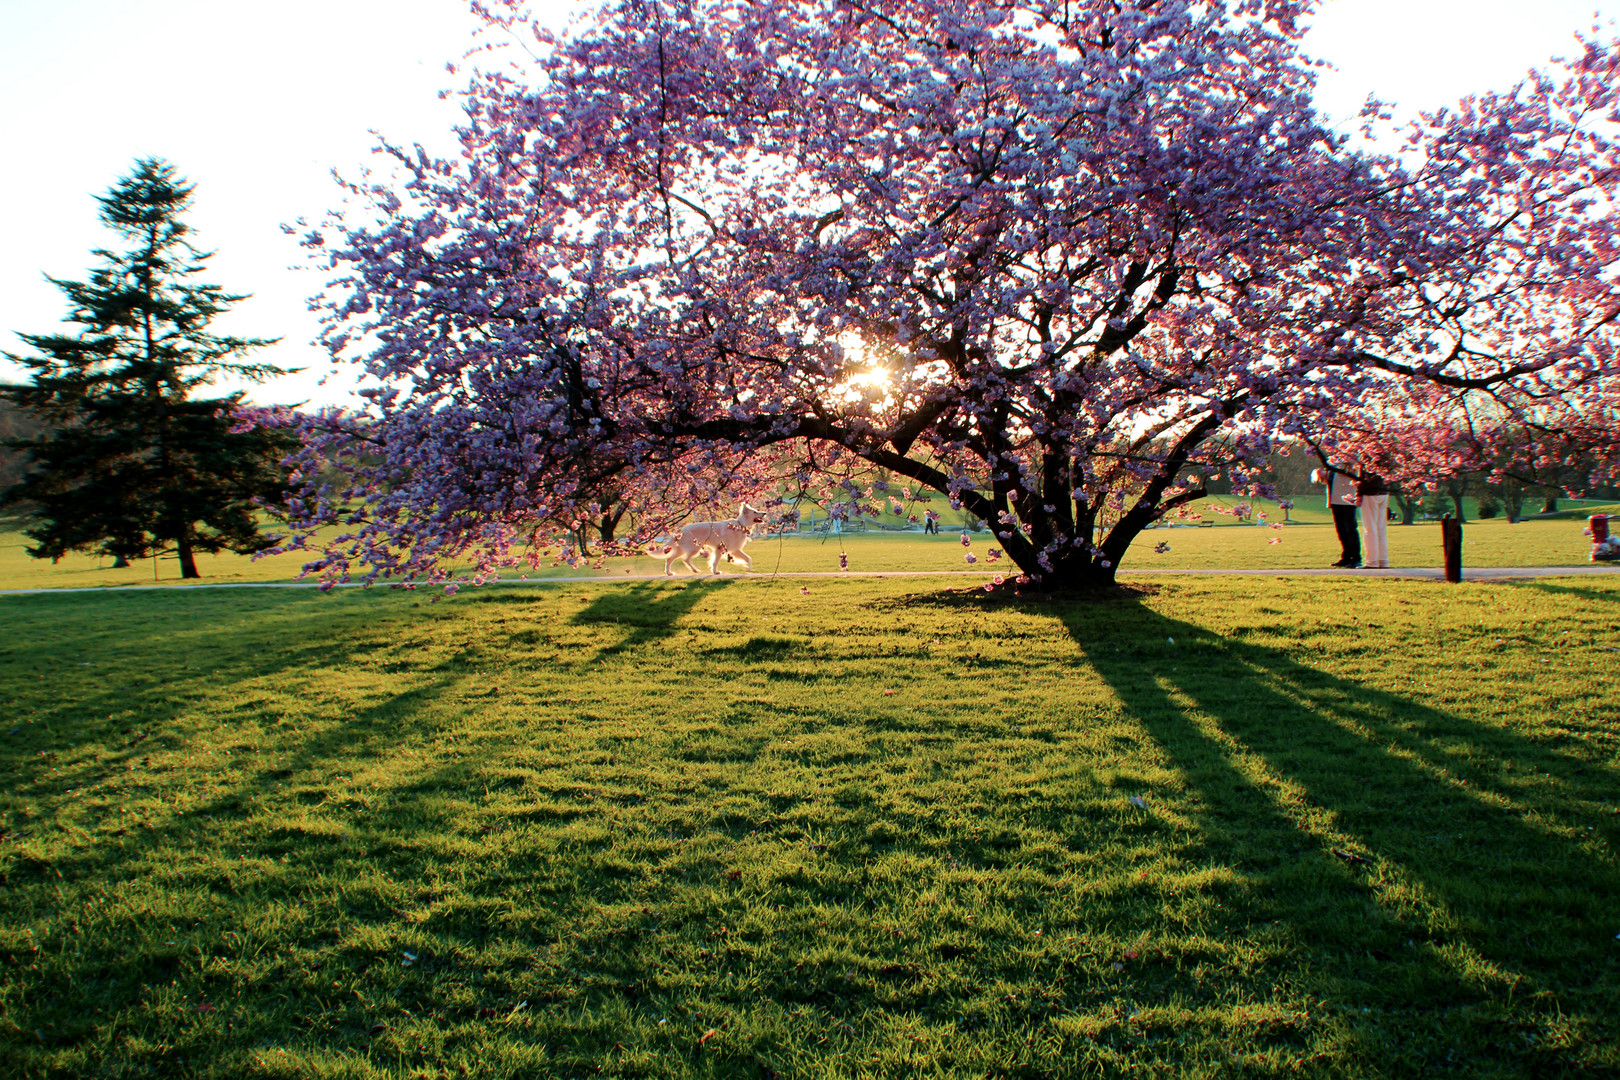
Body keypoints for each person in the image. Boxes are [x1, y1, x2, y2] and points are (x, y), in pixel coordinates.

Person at [1311, 463, 1361, 568]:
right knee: (1341, 530)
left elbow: (1353, 475)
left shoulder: (1349, 459)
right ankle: (1346, 556)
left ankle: (1356, 558)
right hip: (1335, 499)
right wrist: (1323, 475)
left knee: (1350, 529)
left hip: (1347, 499)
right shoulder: (1333, 461)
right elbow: (1330, 480)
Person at [1355, 462, 1390, 569]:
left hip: (1370, 493)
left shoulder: (1365, 455)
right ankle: (1383, 560)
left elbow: (1363, 477)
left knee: (1369, 528)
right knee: (1381, 528)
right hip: (1384, 491)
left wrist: (1359, 494)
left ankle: (1371, 561)